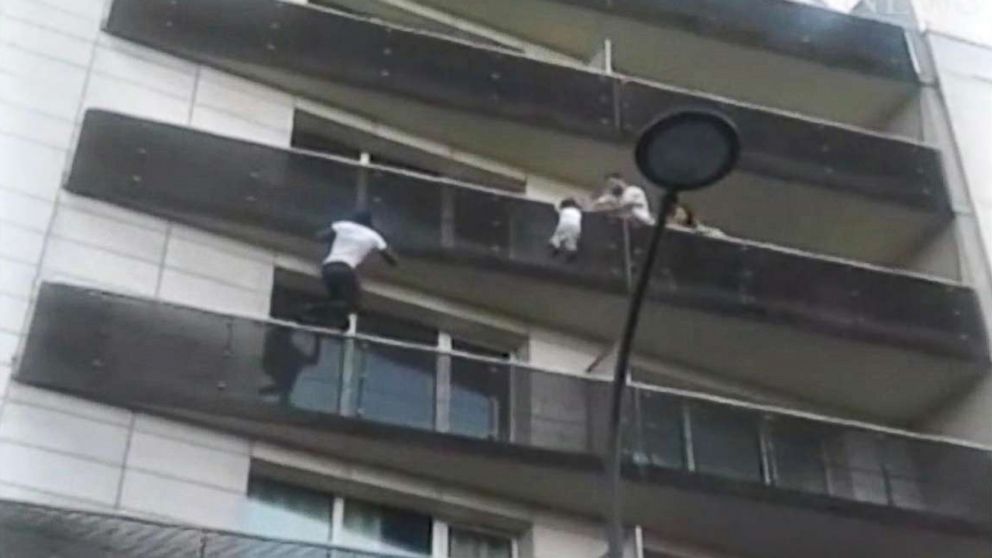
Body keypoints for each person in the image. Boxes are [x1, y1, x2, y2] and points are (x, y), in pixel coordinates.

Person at [313, 210, 398, 330]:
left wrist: (341, 239)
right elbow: (392, 260)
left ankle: (339, 323)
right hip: (345, 270)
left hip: (328, 268)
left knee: (338, 300)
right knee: (353, 303)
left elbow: (319, 236)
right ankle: (312, 311)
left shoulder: (343, 225)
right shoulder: (373, 236)